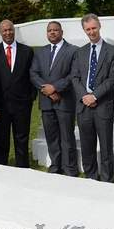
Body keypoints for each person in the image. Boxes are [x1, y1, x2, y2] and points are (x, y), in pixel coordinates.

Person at [71, 14, 114, 182]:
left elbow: (111, 79)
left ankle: (107, 180)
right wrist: (84, 96)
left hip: (102, 106)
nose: (91, 32)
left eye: (94, 28)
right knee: (87, 146)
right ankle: (91, 177)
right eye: (88, 29)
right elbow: (75, 78)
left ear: (99, 26)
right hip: (84, 107)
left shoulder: (112, 51)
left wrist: (94, 96)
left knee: (106, 147)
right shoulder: (80, 52)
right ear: (84, 30)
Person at [30, 21, 79, 176]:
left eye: (55, 30)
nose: (52, 32)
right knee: (51, 137)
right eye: (49, 30)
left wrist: (56, 87)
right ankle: (55, 166)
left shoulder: (73, 51)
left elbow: (73, 75)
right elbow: (33, 73)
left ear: (61, 32)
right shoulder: (40, 52)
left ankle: (70, 168)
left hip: (65, 101)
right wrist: (48, 90)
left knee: (67, 137)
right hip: (46, 102)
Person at [0, 19, 36, 167]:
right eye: (5, 30)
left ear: (14, 30)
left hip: (22, 105)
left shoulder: (27, 51)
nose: (8, 32)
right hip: (1, 106)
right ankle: (1, 168)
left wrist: (30, 98)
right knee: (1, 140)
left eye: (10, 29)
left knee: (22, 139)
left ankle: (22, 168)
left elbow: (32, 76)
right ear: (0, 32)